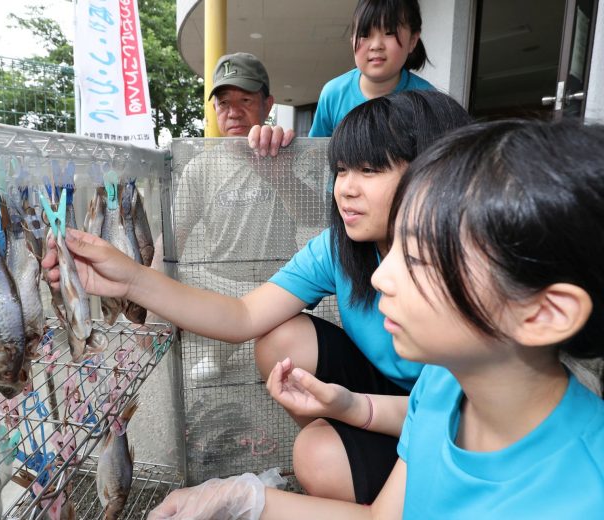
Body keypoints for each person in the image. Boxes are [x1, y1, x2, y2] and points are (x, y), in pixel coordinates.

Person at [147, 118, 604, 520]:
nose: (382, 276)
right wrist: (243, 500)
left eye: (422, 258)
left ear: (545, 312)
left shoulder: (584, 498)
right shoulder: (446, 386)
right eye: (397, 248)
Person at [42, 90, 472, 504]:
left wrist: (357, 410)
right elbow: (244, 315)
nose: (346, 189)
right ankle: (356, 457)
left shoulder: (476, 273)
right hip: (394, 400)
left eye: (370, 170)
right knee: (282, 344)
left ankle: (386, 481)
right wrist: (129, 279)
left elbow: (468, 408)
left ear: (436, 172)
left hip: (462, 419)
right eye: (341, 170)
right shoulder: (340, 246)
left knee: (319, 457)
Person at [161, 51, 301, 382]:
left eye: (245, 99)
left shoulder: (292, 154)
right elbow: (173, 237)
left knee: (285, 369)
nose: (234, 112)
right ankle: (219, 348)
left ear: (267, 105)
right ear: (214, 109)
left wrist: (281, 176)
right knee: (179, 285)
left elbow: (318, 221)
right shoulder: (199, 167)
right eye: (224, 103)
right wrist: (145, 287)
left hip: (278, 286)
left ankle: (272, 342)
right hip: (221, 287)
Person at [309, 0, 433, 138]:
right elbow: (314, 154)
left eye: (389, 32)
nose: (376, 45)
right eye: (365, 34)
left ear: (412, 41)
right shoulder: (333, 94)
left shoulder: (429, 100)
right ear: (352, 41)